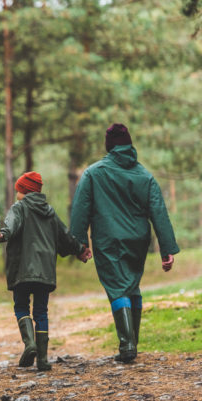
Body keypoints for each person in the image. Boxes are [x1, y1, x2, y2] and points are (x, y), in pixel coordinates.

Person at [70, 123, 179, 363]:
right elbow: (158, 211)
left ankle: (127, 345)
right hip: (139, 239)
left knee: (118, 287)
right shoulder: (144, 175)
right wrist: (167, 249)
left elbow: (81, 210)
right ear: (130, 145)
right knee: (131, 286)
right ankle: (132, 343)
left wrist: (78, 245)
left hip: (108, 240)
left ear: (109, 147)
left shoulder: (93, 173)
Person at [0, 171, 91, 371]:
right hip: (45, 272)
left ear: (25, 191)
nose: (17, 194)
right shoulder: (50, 211)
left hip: (22, 270)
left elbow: (9, 227)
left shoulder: (19, 208)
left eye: (18, 191)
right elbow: (65, 236)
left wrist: (0, 236)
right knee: (41, 311)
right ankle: (43, 360)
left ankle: (29, 344)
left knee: (21, 306)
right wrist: (79, 250)